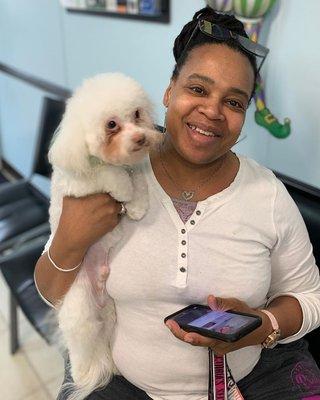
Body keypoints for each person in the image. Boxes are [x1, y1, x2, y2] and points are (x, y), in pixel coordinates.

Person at [34, 6, 320, 400]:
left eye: (234, 102)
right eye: (198, 89)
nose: (213, 111)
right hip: (122, 384)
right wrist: (68, 239)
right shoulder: (108, 175)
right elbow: (53, 293)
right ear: (169, 91)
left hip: (251, 380)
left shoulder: (267, 194)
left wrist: (262, 322)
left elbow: (309, 298)